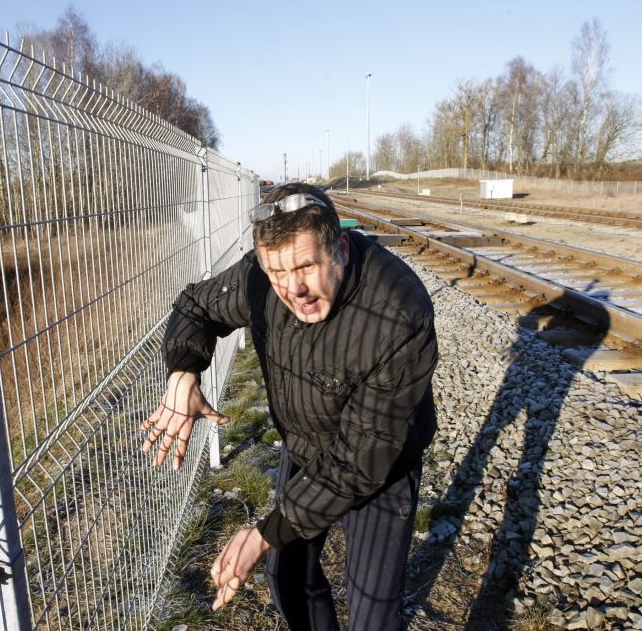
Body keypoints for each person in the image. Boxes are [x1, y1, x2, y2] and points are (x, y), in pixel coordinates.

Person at [142, 183, 438, 631]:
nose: (293, 288)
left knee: (372, 610)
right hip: (305, 443)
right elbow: (196, 306)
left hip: (382, 464)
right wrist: (183, 372)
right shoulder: (261, 280)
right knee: (288, 578)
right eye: (277, 271)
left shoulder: (398, 312)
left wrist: (264, 533)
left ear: (338, 247)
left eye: (306, 266)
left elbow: (359, 462)